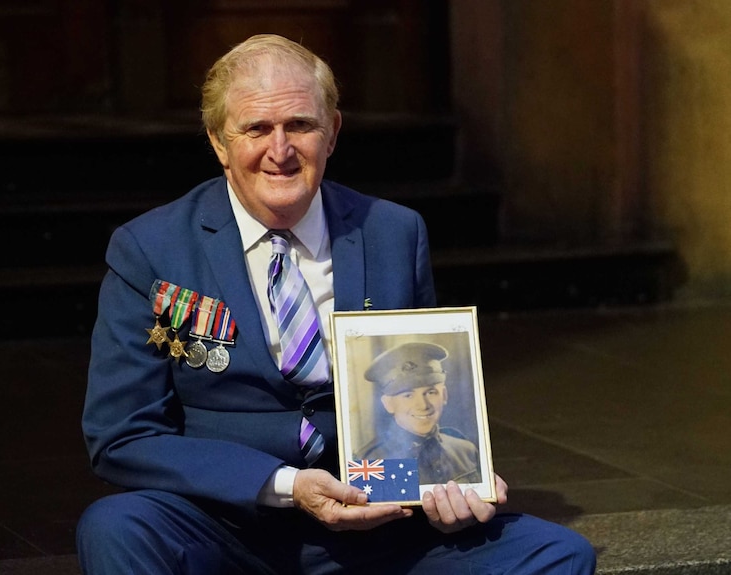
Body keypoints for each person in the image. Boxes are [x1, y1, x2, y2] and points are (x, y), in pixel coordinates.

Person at [76, 33, 596, 574]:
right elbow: (123, 435)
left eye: (300, 125)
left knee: (560, 555)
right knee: (116, 527)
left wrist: (445, 490)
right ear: (218, 142)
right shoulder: (152, 249)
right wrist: (284, 486)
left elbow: (411, 400)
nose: (280, 151)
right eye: (256, 128)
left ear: (333, 133)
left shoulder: (394, 233)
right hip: (222, 523)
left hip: (372, 522)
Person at [359, 342, 483, 486]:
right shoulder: (370, 463)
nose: (423, 406)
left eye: (431, 392)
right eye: (408, 395)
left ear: (444, 395)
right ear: (389, 404)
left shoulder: (466, 451)